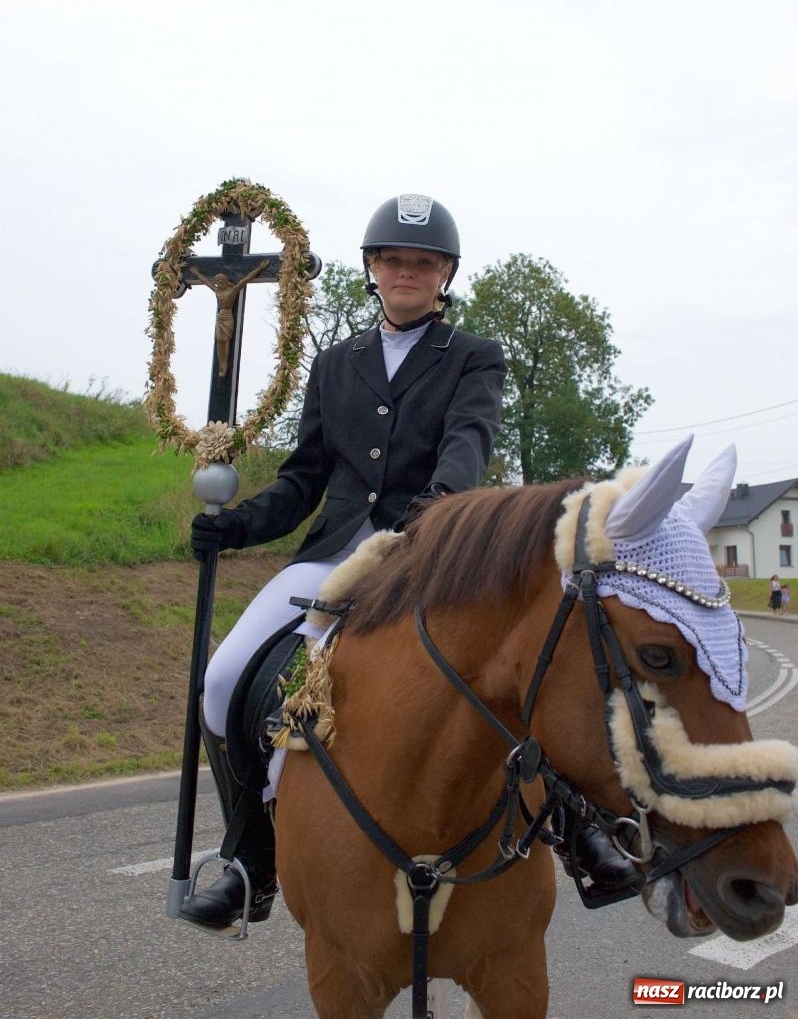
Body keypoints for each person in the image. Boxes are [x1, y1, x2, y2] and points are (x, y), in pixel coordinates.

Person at [179, 193, 636, 933]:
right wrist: (235, 528)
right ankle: (249, 859)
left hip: (430, 552)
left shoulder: (472, 357)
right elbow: (304, 479)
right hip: (333, 553)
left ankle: (581, 830)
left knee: (516, 666)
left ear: (444, 274)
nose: (407, 273)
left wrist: (429, 519)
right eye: (394, 260)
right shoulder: (335, 364)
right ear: (372, 269)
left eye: (423, 263)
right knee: (225, 677)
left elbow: (467, 447)